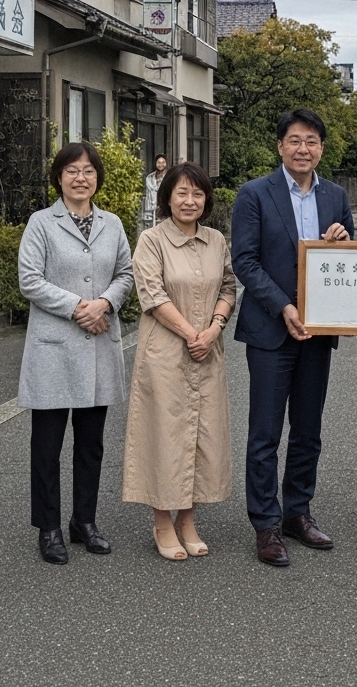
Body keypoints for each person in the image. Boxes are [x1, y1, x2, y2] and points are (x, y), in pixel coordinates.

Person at [231, 109, 354, 566]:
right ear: (280, 146)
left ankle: (297, 513)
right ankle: (265, 523)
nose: (304, 149)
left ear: (321, 148)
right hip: (270, 329)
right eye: (295, 140)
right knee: (265, 432)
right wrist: (284, 306)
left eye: (312, 141)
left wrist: (343, 240)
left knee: (308, 430)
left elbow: (344, 263)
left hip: (318, 332)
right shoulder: (254, 195)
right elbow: (245, 261)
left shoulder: (336, 196)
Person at [17, 142, 133, 565]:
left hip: (99, 344)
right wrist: (79, 307)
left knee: (91, 443)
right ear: (59, 177)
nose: (80, 177)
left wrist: (104, 303)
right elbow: (29, 280)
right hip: (54, 346)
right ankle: (48, 527)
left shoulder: (113, 224)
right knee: (47, 445)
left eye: (87, 170)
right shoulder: (40, 223)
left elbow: (126, 272)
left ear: (97, 178)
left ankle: (84, 522)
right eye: (71, 170)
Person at [123, 161, 237, 560]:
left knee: (202, 435)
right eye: (182, 194)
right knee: (165, 435)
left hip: (208, 351)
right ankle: (161, 522)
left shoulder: (216, 240)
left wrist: (215, 329)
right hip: (166, 354)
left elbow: (228, 286)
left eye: (197, 194)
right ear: (167, 198)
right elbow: (151, 296)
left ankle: (188, 519)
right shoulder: (151, 241)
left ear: (206, 200)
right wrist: (193, 334)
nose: (189, 201)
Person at [142, 154, 168, 227]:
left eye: (163, 162)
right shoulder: (149, 178)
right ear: (155, 163)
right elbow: (147, 195)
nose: (161, 165)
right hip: (151, 210)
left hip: (164, 210)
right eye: (159, 162)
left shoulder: (169, 177)